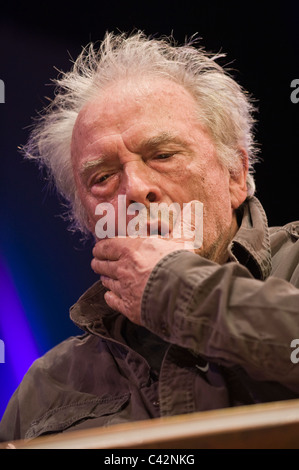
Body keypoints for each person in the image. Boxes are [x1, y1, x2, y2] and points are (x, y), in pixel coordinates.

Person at [0, 31, 299, 443]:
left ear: (236, 175)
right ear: (88, 218)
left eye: (163, 155)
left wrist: (173, 287)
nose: (135, 189)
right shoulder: (44, 388)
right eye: (102, 177)